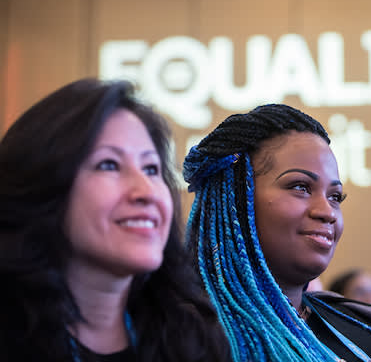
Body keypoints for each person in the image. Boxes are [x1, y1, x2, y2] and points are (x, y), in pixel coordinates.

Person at [0, 79, 230, 361]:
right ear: (42, 188)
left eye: (151, 168)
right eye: (108, 165)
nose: (146, 191)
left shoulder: (194, 339)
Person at [183, 104, 371, 362]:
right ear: (235, 199)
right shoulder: (183, 334)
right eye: (300, 187)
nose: (328, 212)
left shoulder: (364, 326)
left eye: (335, 196)